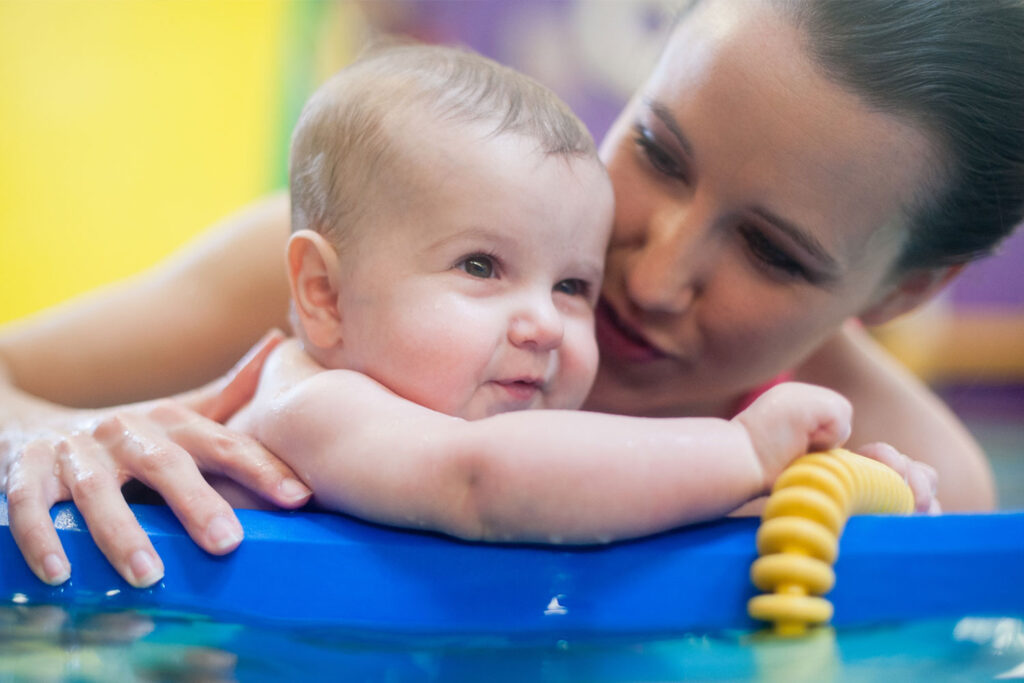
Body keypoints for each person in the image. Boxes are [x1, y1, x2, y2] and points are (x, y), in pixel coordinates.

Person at [2, 0, 1019, 583]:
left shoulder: (909, 478)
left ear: (904, 290)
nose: (652, 274)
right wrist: (55, 435)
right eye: (658, 149)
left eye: (773, 252)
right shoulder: (365, 260)